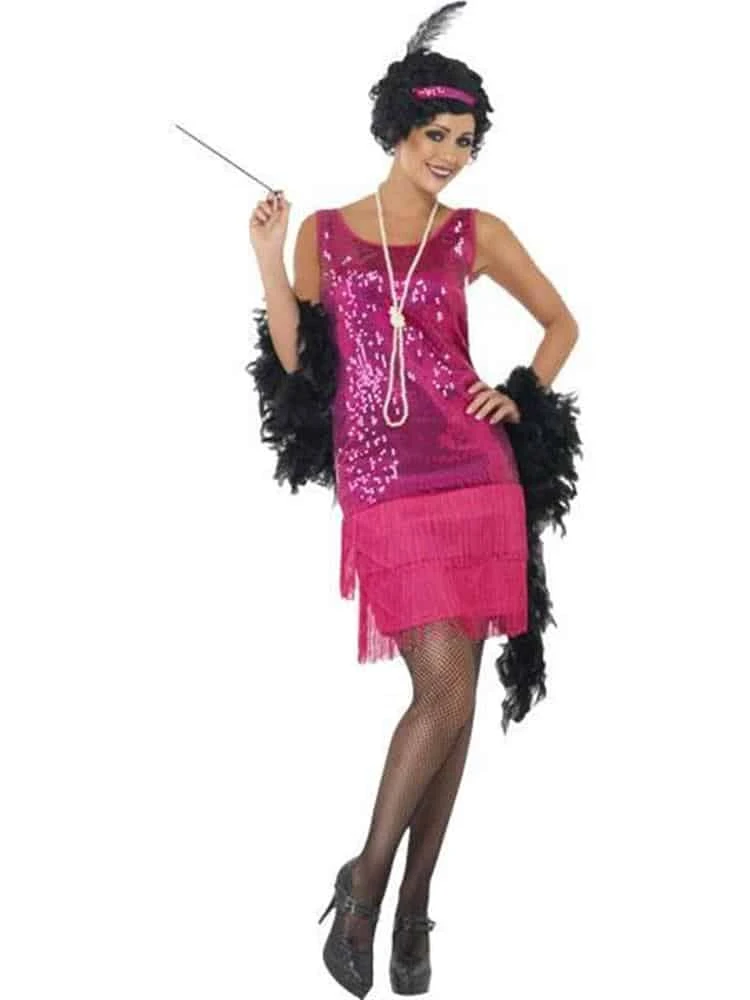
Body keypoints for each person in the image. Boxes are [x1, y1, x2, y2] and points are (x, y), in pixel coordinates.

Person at [246, 4, 581, 995]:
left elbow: (562, 323)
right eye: (437, 135)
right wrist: (269, 258)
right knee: (443, 692)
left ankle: (414, 904)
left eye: (465, 143)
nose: (449, 156)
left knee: (456, 700)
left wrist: (517, 394)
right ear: (398, 128)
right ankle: (363, 884)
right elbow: (299, 361)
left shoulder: (475, 232)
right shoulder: (326, 233)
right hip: (385, 482)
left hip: (477, 474)